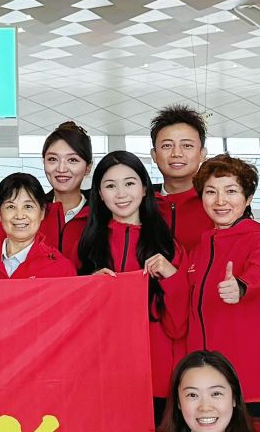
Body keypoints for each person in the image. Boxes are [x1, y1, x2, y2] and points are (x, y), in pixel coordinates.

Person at [172, 157, 260, 423]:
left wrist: (242, 287)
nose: (220, 201)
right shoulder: (198, 251)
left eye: (231, 191)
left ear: (248, 199)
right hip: (207, 390)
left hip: (254, 387)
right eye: (211, 192)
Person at [76, 151, 182, 414]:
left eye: (130, 183)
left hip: (156, 375)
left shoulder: (168, 248)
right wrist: (87, 288)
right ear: (99, 194)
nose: (121, 194)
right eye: (111, 186)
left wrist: (171, 276)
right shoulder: (85, 247)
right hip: (100, 373)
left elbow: (178, 326)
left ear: (145, 189)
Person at [0, 173, 75, 279]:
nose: (19, 216)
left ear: (42, 212)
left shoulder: (61, 268)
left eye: (28, 206)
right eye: (11, 207)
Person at [150, 106, 214, 253]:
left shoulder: (217, 204)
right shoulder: (140, 202)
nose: (177, 153)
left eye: (187, 145)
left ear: (202, 154)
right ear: (154, 155)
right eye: (167, 145)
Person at [39, 121, 93, 255]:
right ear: (43, 162)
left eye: (72, 160)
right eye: (52, 159)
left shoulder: (101, 214)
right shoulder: (32, 211)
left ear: (88, 168)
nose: (61, 169)